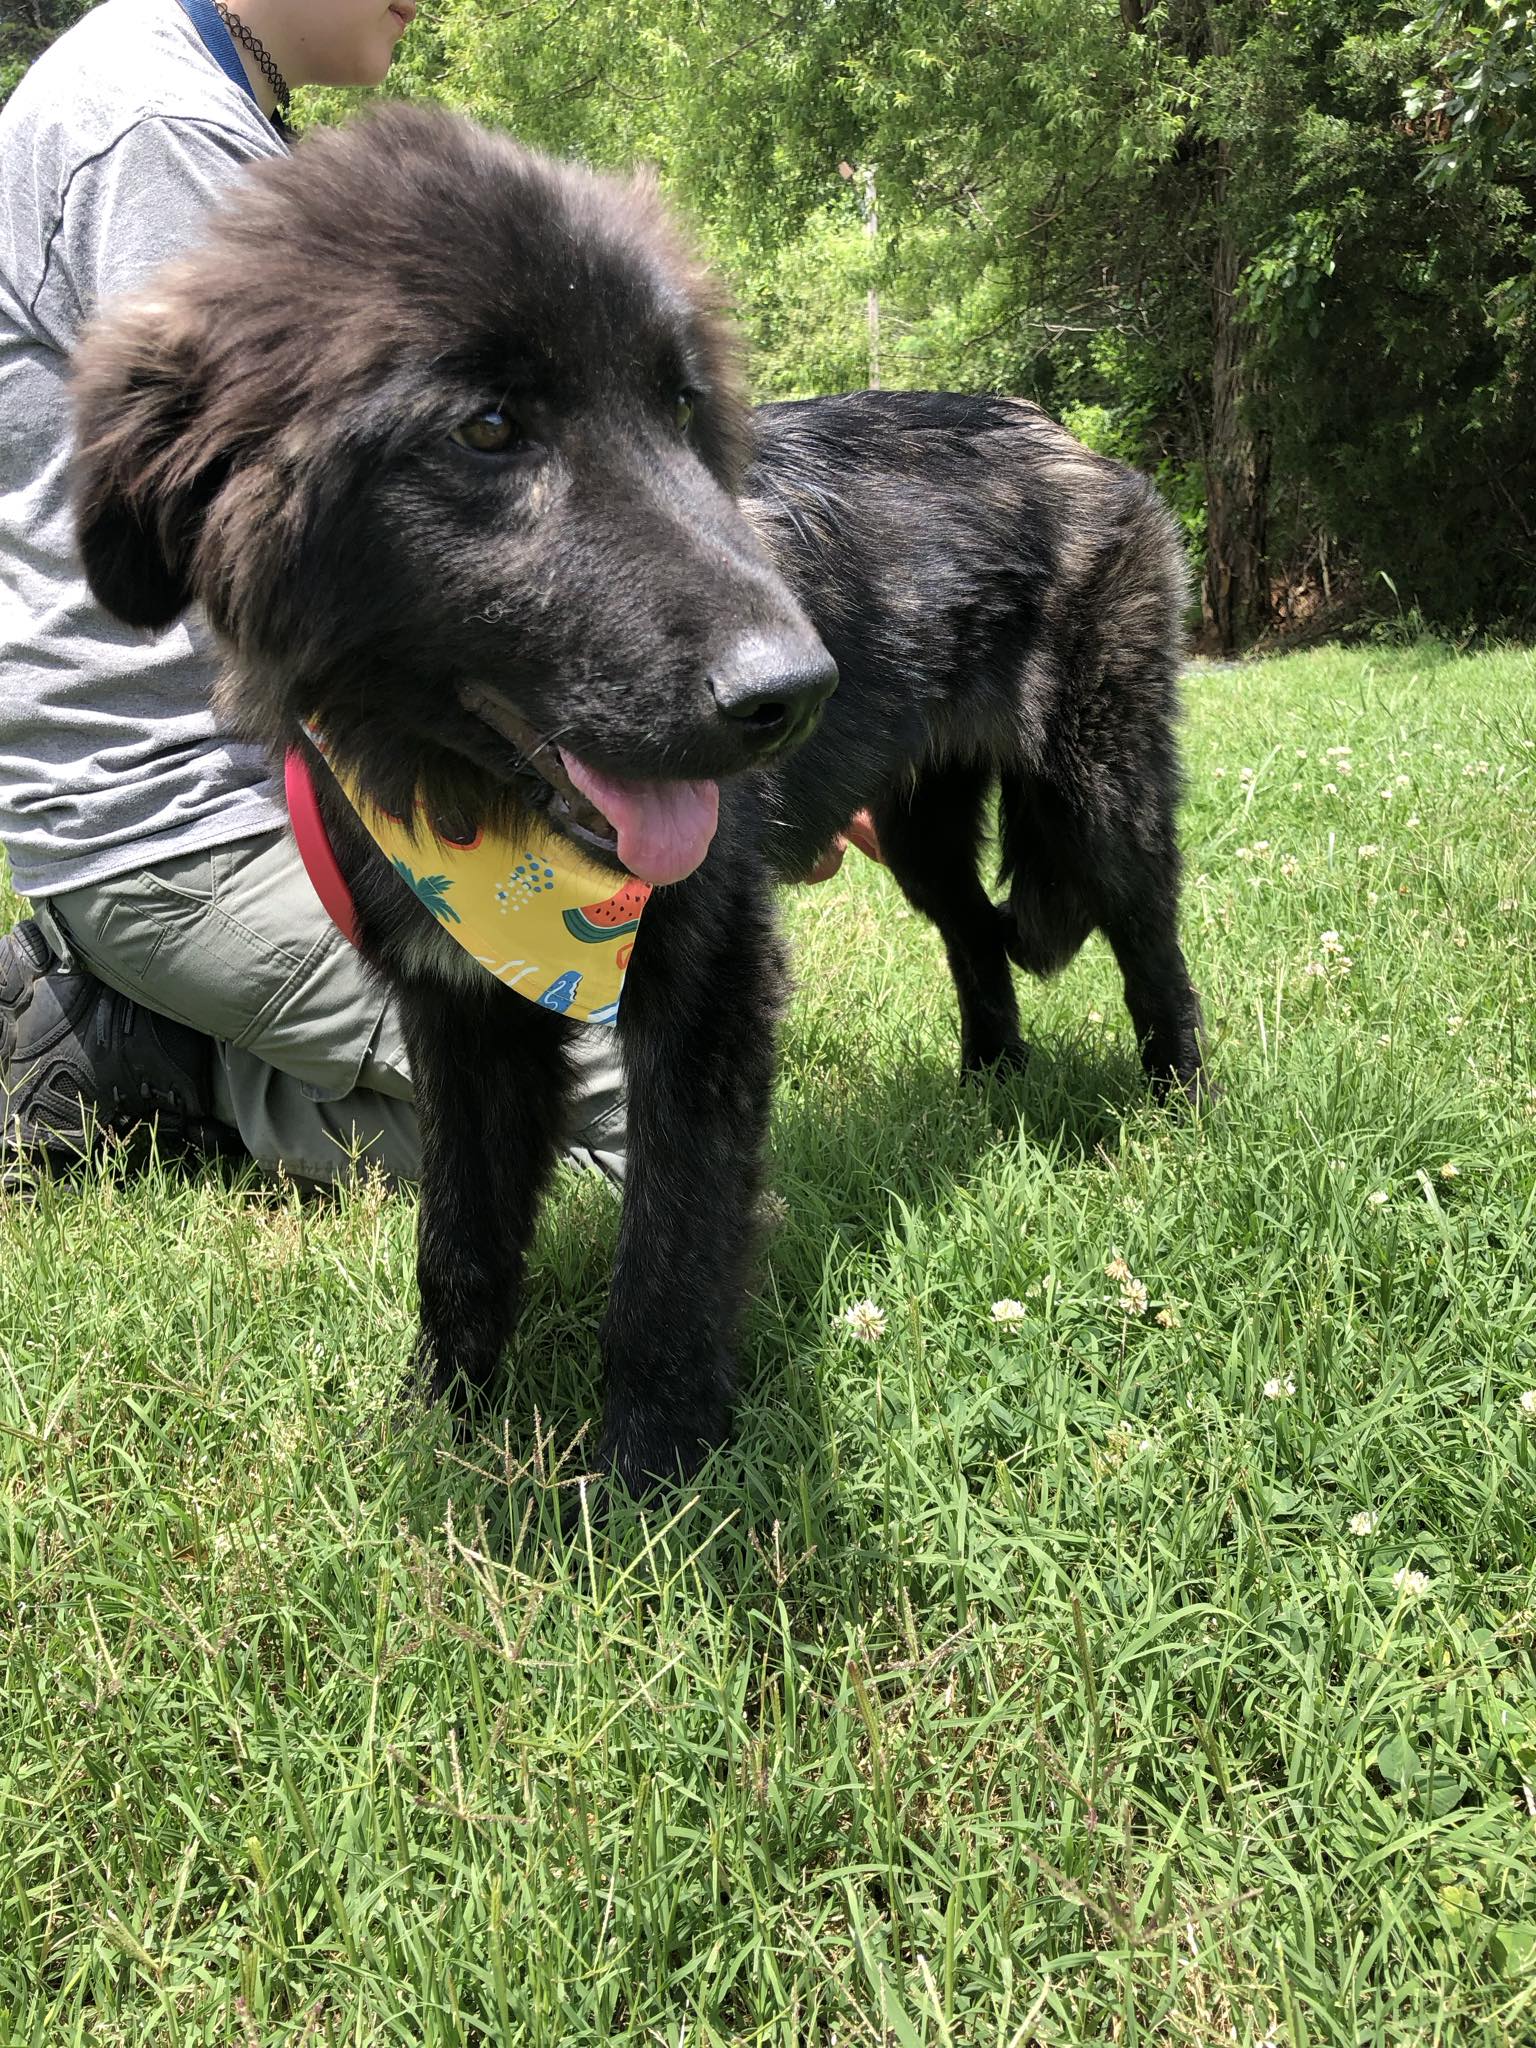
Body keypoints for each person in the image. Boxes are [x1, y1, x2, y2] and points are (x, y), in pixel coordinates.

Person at [0, 0, 635, 1187]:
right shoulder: (157, 129)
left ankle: (176, 1018)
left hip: (281, 779)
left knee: (664, 1006)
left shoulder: (207, 103)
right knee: (631, 1117)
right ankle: (151, 1060)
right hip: (190, 809)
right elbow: (315, 543)